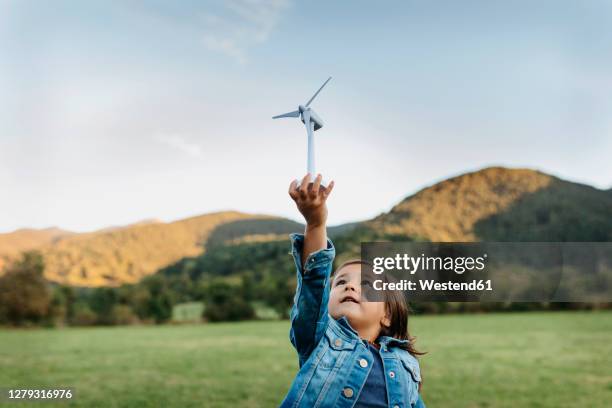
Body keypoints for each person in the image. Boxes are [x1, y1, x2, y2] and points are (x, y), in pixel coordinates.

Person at [280, 173, 426, 408]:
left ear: (387, 315)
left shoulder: (405, 363)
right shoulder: (320, 340)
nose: (350, 286)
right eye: (339, 282)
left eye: (366, 284)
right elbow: (313, 285)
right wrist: (316, 223)